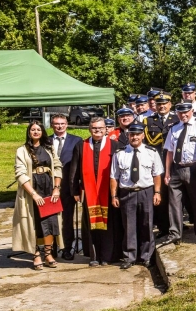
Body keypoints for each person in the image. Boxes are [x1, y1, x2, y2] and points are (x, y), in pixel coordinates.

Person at [110, 122, 163, 269]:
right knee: (129, 226)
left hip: (146, 191)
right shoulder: (120, 154)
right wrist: (114, 196)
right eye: (132, 134)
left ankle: (146, 256)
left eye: (137, 134)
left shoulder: (151, 152)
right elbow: (114, 176)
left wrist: (157, 192)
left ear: (143, 135)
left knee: (147, 224)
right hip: (127, 193)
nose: (134, 137)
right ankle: (129, 257)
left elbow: (157, 174)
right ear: (128, 136)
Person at [14, 121, 63, 270]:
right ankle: (36, 254)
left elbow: (58, 167)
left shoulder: (49, 148)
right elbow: (20, 174)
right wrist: (34, 194)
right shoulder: (22, 151)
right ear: (29, 132)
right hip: (32, 190)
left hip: (48, 188)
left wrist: (56, 188)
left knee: (50, 222)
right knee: (34, 222)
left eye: (38, 129)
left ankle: (48, 254)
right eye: (33, 130)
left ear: (42, 132)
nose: (35, 132)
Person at [76, 117, 122, 266]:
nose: (98, 131)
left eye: (101, 128)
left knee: (110, 225)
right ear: (90, 129)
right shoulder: (81, 145)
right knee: (92, 225)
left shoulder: (114, 145)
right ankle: (94, 256)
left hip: (108, 192)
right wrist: (75, 190)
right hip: (89, 193)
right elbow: (74, 171)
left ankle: (108, 256)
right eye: (94, 128)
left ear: (106, 129)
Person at [161, 103, 196, 246]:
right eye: (180, 113)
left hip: (195, 168)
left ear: (192, 111)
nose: (183, 115)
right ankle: (175, 234)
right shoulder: (174, 128)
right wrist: (167, 172)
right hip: (176, 168)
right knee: (174, 203)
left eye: (186, 112)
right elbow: (169, 151)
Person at [143, 92, 178, 239]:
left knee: (176, 197)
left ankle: (177, 225)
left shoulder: (177, 119)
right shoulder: (148, 121)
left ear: (170, 104)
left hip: (174, 163)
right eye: (159, 104)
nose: (162, 106)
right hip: (156, 164)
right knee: (161, 196)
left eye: (164, 104)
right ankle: (164, 227)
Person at [49, 114, 82, 260]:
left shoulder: (76, 141)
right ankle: (52, 249)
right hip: (50, 188)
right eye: (56, 124)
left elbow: (79, 166)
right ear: (52, 125)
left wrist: (78, 188)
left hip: (69, 187)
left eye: (62, 123)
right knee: (51, 220)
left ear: (67, 124)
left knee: (67, 220)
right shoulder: (46, 141)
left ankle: (67, 248)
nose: (59, 126)